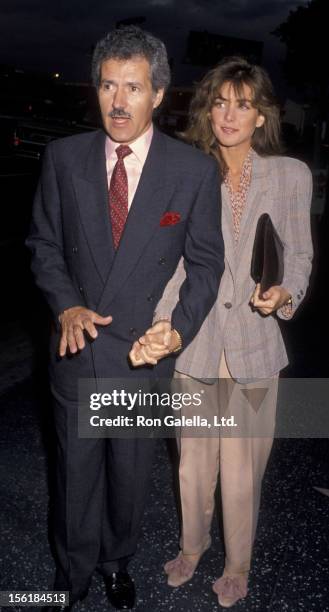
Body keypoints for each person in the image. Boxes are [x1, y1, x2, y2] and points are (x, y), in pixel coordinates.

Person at [26, 26, 224, 611]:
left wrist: (179, 327)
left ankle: (118, 562)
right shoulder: (63, 159)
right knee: (75, 473)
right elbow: (43, 243)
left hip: (143, 356)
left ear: (158, 94)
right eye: (108, 86)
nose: (117, 102)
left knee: (128, 476)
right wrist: (65, 302)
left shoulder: (191, 172)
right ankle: (74, 568)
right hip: (77, 346)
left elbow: (208, 265)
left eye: (132, 88)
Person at [130, 56, 313, 608]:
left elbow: (299, 254)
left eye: (244, 104)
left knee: (240, 474)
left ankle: (237, 565)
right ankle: (192, 546)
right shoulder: (185, 173)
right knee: (192, 465)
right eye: (220, 101)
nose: (230, 114)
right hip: (198, 342)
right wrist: (165, 324)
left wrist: (284, 294)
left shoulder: (290, 176)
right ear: (207, 109)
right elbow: (174, 264)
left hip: (255, 347)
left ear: (262, 116)